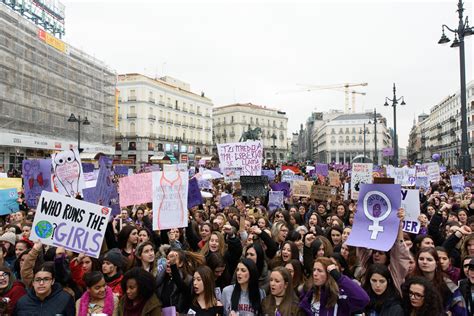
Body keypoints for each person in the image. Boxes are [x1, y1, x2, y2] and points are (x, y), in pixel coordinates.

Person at [299, 257, 369, 316]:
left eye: (319, 271)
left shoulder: (340, 297)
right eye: (314, 270)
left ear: (329, 275)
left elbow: (363, 299)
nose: (315, 273)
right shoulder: (308, 293)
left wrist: (339, 277)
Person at [412, 247, 467, 315]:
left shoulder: (447, 283)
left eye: (429, 260)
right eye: (421, 259)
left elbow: (459, 306)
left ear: (437, 263)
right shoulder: (412, 281)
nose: (424, 262)